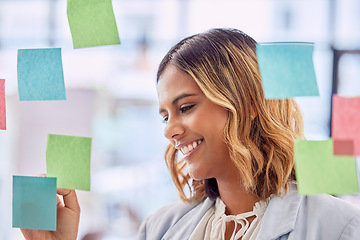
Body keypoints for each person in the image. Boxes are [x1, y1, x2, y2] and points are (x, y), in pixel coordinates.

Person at [21, 28, 360, 240]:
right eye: (165, 115)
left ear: (249, 102)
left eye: (185, 108)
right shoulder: (161, 228)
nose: (170, 129)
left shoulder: (337, 226)